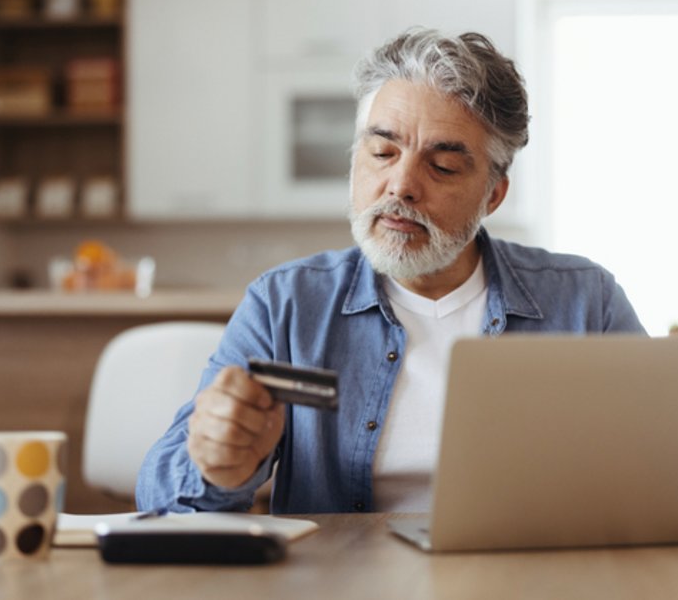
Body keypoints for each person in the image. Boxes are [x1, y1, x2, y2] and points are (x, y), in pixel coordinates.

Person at [136, 27, 645, 515]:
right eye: (382, 152)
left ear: (493, 194)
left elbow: (664, 470)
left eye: (442, 167)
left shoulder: (586, 302)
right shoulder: (285, 304)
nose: (400, 185)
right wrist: (218, 468)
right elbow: (160, 497)